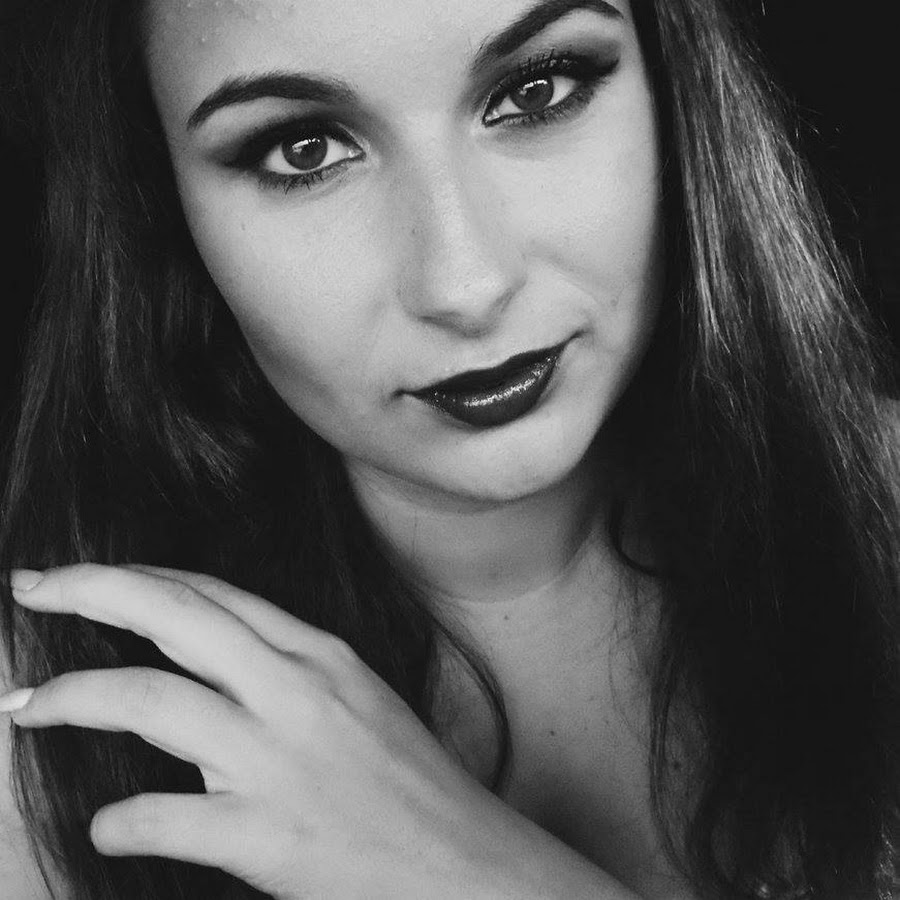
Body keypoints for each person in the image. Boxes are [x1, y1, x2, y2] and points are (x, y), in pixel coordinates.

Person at [0, 0, 898, 897]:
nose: (466, 286)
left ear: (676, 83)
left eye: (536, 91)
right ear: (162, 203)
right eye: (304, 150)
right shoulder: (38, 726)